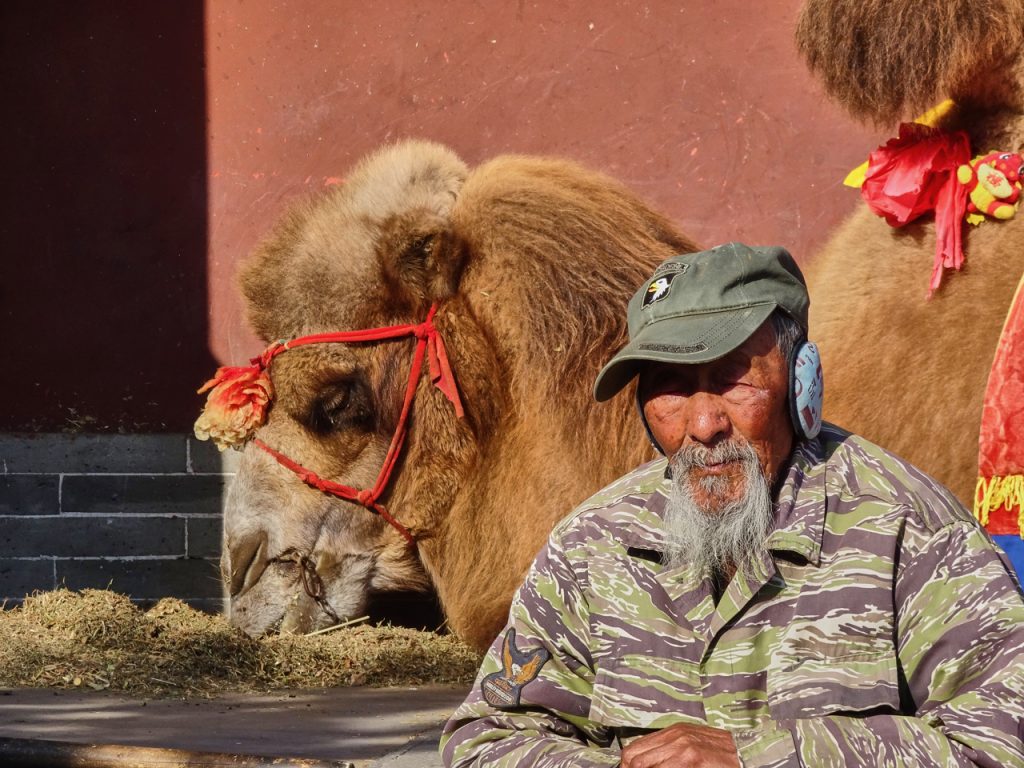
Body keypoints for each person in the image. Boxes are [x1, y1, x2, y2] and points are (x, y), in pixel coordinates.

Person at [439, 243, 1024, 768]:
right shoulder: (593, 545)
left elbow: (1002, 738)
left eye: (732, 378)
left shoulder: (907, 528)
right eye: (670, 386)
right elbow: (488, 737)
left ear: (802, 386)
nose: (702, 424)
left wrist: (762, 758)